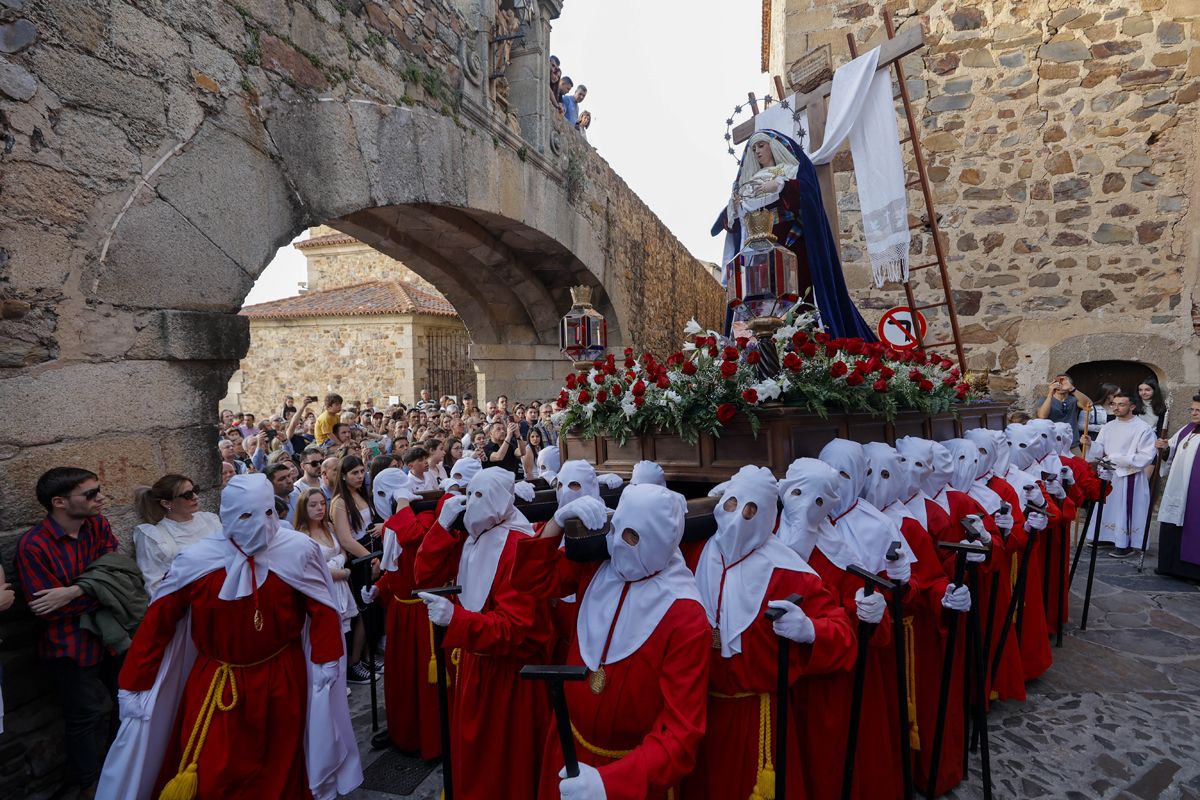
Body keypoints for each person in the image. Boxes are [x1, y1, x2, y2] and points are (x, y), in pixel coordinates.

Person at [97, 474, 361, 799]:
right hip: (217, 682)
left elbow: (321, 607)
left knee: (281, 759)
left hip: (283, 677)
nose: (260, 525)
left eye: (267, 513)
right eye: (247, 516)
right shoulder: (196, 560)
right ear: (229, 516)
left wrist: (325, 661)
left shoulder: (296, 550)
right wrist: (135, 684)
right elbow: (158, 624)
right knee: (215, 766)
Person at [511, 481, 710, 799]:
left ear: (660, 541)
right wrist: (556, 524)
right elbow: (530, 580)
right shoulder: (597, 567)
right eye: (615, 529)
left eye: (631, 536)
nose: (617, 543)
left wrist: (610, 783)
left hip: (631, 774)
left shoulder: (686, 616)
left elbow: (681, 732)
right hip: (569, 744)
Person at [684, 466, 855, 800]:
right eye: (733, 504)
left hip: (757, 721)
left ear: (767, 518)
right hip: (701, 712)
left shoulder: (791, 573)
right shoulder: (694, 554)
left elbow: (843, 634)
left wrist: (810, 630)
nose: (739, 518)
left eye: (752, 511)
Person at [414, 468, 553, 799]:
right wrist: (441, 526)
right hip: (474, 666)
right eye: (470, 494)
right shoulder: (471, 536)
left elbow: (516, 629)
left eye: (482, 496)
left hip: (508, 678)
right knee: (473, 760)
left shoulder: (519, 546)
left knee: (501, 766)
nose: (474, 504)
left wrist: (457, 619)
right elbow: (424, 576)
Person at [713, 128, 875, 341]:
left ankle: (801, 341)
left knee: (796, 296)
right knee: (762, 300)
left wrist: (781, 185)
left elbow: (808, 196)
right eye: (753, 149)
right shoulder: (748, 183)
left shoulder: (789, 172)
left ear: (774, 146)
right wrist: (733, 208)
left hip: (791, 244)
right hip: (758, 254)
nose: (757, 152)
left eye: (761, 145)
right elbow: (736, 227)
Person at [16, 468, 120, 794]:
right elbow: (46, 608)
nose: (100, 498)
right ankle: (86, 784)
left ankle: (121, 769)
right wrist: (97, 589)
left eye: (98, 490)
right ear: (59, 502)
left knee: (127, 702)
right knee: (83, 717)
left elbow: (118, 574)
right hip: (69, 645)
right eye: (90, 494)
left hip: (110, 636)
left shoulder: (98, 524)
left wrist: (73, 591)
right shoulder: (34, 546)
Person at [361, 468, 442, 757]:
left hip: (422, 614)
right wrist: (379, 588)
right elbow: (395, 569)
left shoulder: (425, 516)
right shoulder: (396, 522)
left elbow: (412, 539)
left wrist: (404, 504)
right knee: (400, 679)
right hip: (399, 611)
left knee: (423, 681)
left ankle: (429, 738)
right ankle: (402, 730)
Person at [1083, 391, 1158, 556]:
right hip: (1109, 474)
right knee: (1108, 506)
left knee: (1125, 508)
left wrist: (1116, 458)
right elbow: (1100, 449)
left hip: (1129, 475)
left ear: (1132, 406)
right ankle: (1105, 536)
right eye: (1113, 404)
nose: (1116, 408)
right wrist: (1090, 444)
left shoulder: (1143, 429)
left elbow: (1146, 456)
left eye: (1121, 404)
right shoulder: (1108, 426)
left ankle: (1126, 543)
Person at [132, 474, 222, 594]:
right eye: (187, 495)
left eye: (195, 490)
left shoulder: (210, 520)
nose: (195, 497)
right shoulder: (154, 536)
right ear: (166, 503)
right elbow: (154, 584)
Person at [294, 489, 359, 636]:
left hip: (342, 587)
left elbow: (343, 551)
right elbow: (313, 570)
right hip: (322, 591)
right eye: (313, 505)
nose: (320, 508)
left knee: (347, 633)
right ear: (303, 508)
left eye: (323, 503)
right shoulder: (301, 536)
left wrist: (336, 563)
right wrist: (344, 572)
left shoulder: (329, 526)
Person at [1155, 393, 1200, 579]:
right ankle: (1170, 566)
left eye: (1198, 411)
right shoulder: (1186, 429)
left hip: (1195, 491)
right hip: (1178, 486)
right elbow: (1171, 450)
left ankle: (1192, 571)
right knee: (1173, 521)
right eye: (1192, 410)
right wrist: (1164, 447)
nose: (1194, 414)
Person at [1036, 374, 1093, 444]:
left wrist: (1072, 389)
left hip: (1072, 442)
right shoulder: (1045, 400)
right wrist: (1050, 394)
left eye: (1064, 382)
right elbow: (1042, 416)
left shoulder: (1074, 400)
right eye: (1057, 382)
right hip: (1051, 443)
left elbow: (1089, 405)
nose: (1060, 385)